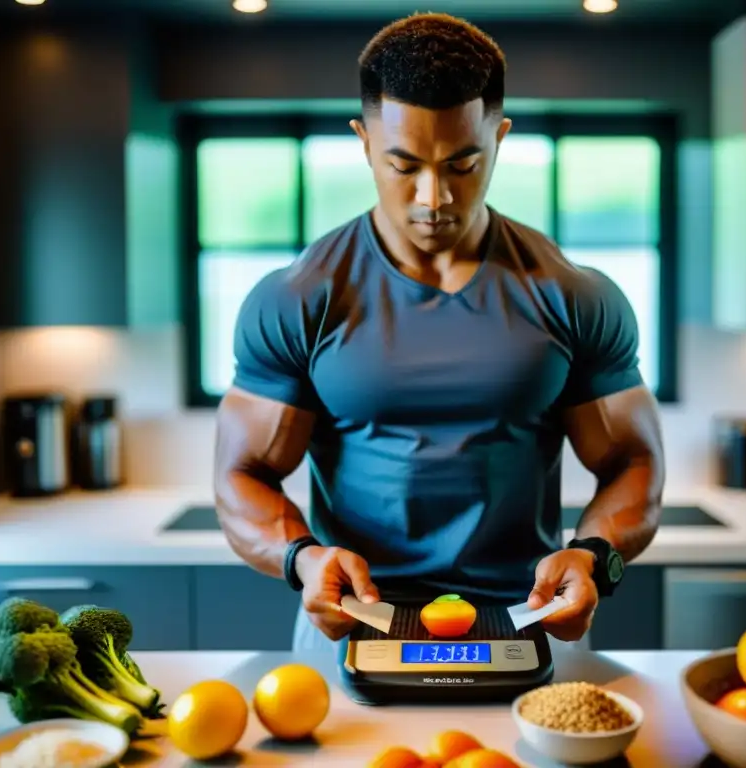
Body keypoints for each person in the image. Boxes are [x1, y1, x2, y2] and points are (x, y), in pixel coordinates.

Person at [213, 12, 666, 653]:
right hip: (353, 624)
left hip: (528, 621)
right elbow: (242, 470)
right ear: (365, 142)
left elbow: (633, 460)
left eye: (462, 164)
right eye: (404, 165)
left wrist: (594, 557)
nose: (434, 197)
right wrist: (303, 560)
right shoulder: (299, 297)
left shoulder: (572, 293)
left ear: (499, 138)